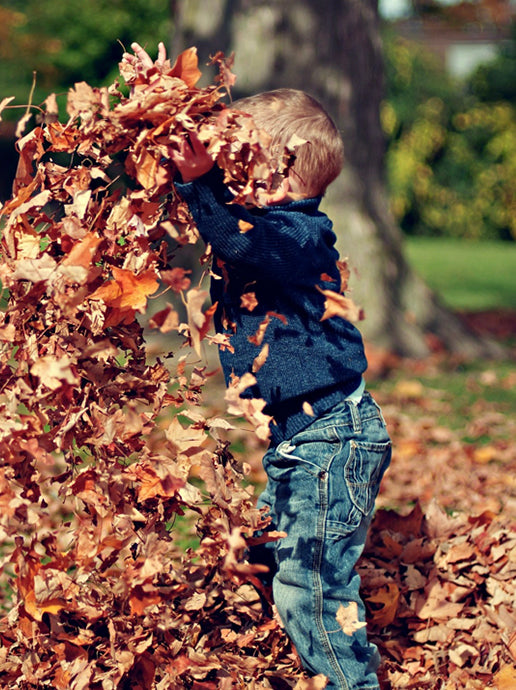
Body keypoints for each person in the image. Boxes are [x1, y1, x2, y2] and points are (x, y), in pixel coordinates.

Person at [126, 44, 393, 689]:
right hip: (301, 440)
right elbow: (230, 236)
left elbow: (241, 239)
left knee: (312, 586)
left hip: (334, 440)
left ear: (280, 170)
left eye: (239, 160)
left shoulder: (300, 236)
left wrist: (200, 185)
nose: (228, 173)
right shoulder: (265, 231)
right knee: (276, 561)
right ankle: (305, 661)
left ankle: (350, 683)